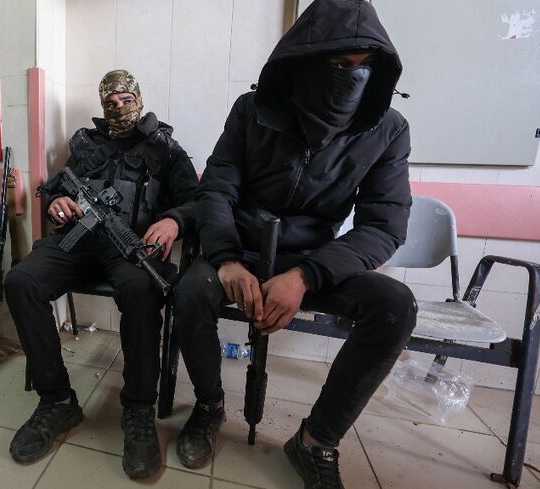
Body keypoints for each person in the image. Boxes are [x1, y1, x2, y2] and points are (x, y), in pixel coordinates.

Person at [171, 1, 417, 487]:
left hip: (312, 259)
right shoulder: (252, 110)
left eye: (366, 66)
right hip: (239, 248)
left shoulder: (388, 130)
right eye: (340, 65)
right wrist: (223, 260)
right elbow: (217, 188)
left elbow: (383, 227)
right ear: (307, 60)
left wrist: (306, 276)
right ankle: (209, 405)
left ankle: (315, 442)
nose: (354, 78)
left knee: (394, 306)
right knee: (189, 291)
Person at [5, 70, 198, 479]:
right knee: (21, 281)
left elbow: (196, 202)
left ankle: (139, 409)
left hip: (130, 247)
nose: (118, 106)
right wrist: (58, 201)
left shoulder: (165, 149)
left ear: (139, 99)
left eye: (126, 98)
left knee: (142, 290)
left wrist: (174, 222)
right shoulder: (86, 145)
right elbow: (58, 187)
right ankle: (57, 401)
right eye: (110, 101)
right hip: (78, 240)